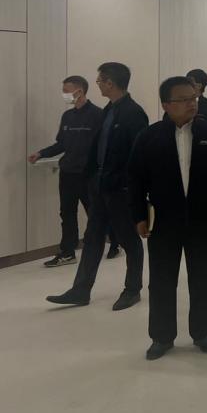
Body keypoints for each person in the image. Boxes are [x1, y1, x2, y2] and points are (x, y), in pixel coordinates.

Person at [129, 77, 207, 360]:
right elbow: (136, 180)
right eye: (184, 99)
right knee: (161, 280)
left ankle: (202, 333)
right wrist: (138, 215)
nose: (192, 103)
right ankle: (161, 337)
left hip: (203, 218)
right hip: (163, 221)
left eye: (194, 98)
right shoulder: (149, 137)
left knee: (203, 278)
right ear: (166, 105)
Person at [46, 62, 149, 311]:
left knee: (129, 239)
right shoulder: (108, 110)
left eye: (100, 81)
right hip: (99, 186)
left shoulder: (134, 113)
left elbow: (139, 155)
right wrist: (92, 177)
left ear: (110, 83)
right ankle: (80, 290)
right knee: (92, 238)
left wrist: (130, 187)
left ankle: (132, 289)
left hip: (120, 189)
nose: (98, 85)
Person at [29, 76, 105, 267]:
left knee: (95, 212)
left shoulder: (98, 115)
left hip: (89, 174)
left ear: (80, 91)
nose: (64, 94)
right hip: (68, 173)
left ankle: (112, 242)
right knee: (67, 213)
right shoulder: (68, 116)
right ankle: (68, 252)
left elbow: (104, 145)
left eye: (66, 90)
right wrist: (41, 153)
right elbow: (61, 144)